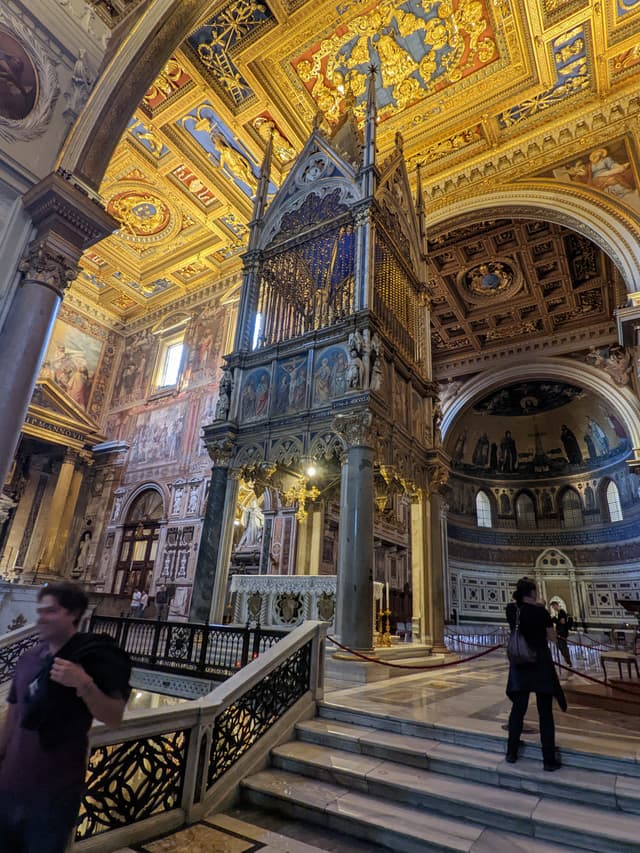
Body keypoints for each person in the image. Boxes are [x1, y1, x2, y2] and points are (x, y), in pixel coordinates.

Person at [0, 581, 131, 852]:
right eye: (41, 610)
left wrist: (83, 684)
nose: (41, 617)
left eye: (51, 611)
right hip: (9, 790)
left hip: (52, 799)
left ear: (73, 615)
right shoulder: (28, 659)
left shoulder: (91, 660)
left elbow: (114, 717)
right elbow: (13, 718)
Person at [505, 577, 566, 771]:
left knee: (518, 709)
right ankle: (548, 760)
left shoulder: (511, 610)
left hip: (520, 662)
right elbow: (552, 637)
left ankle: (511, 752)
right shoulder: (541, 612)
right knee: (545, 713)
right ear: (532, 592)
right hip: (539, 662)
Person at [550, 601, 572, 667]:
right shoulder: (560, 613)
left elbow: (562, 622)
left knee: (562, 647)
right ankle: (568, 661)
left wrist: (555, 620)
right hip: (560, 632)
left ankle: (568, 661)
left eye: (553, 606)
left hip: (562, 633)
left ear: (556, 605)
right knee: (561, 646)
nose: (553, 608)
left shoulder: (562, 612)